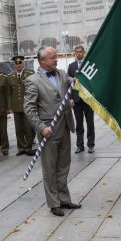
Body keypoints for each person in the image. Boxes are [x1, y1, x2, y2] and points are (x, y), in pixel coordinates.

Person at [24, 47, 81, 216]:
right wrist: (41, 128)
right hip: (48, 131)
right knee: (50, 169)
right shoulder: (33, 81)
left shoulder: (62, 74)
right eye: (52, 58)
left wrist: (81, 77)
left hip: (65, 126)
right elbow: (29, 109)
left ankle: (64, 199)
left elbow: (75, 83)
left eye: (56, 57)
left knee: (63, 166)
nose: (56, 60)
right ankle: (54, 203)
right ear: (42, 61)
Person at [67, 45, 95, 153]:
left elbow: (93, 82)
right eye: (77, 52)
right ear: (75, 53)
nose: (79, 53)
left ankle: (91, 145)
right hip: (76, 100)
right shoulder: (71, 66)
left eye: (80, 52)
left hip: (88, 100)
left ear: (84, 52)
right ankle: (80, 145)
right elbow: (68, 84)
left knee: (90, 123)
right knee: (79, 124)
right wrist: (70, 98)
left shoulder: (89, 65)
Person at [7, 55, 35, 156]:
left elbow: (33, 90)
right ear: (14, 65)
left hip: (27, 106)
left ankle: (28, 147)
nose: (18, 65)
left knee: (28, 128)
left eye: (20, 63)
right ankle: (21, 147)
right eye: (16, 63)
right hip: (16, 106)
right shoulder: (10, 76)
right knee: (18, 129)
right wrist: (10, 106)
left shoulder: (30, 74)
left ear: (23, 64)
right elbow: (9, 93)